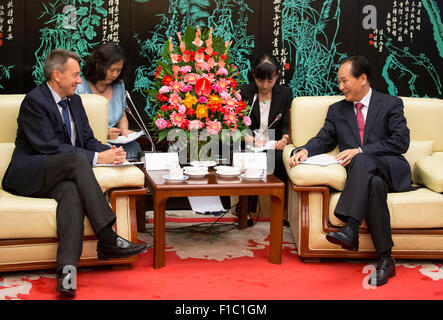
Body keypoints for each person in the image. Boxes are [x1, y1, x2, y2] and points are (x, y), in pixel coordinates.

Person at [2, 49, 147, 297]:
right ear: (57, 75)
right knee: (79, 160)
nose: (80, 81)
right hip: (30, 173)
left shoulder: (75, 101)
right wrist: (94, 157)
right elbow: (47, 146)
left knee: (70, 194)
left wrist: (109, 152)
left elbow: (88, 140)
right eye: (75, 75)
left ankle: (67, 273)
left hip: (61, 175)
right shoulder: (34, 101)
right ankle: (108, 238)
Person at [289, 56, 412, 286]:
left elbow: (401, 142)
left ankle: (350, 226)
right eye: (340, 81)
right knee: (372, 182)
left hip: (390, 168)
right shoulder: (337, 110)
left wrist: (360, 149)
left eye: (345, 81)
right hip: (368, 178)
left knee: (362, 159)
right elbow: (324, 139)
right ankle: (386, 259)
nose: (340, 86)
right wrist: (305, 149)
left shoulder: (390, 104)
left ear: (362, 79)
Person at [240, 54, 292, 218]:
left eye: (270, 81)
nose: (264, 85)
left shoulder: (284, 93)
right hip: (250, 142)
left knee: (280, 159)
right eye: (260, 80)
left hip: (273, 142)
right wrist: (247, 137)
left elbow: (286, 123)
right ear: (254, 76)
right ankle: (247, 211)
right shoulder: (245, 92)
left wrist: (284, 139)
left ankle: (280, 212)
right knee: (248, 159)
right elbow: (237, 124)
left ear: (276, 76)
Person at [75, 42, 142, 160]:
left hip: (115, 141)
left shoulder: (119, 85)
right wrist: (104, 133)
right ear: (98, 65)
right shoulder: (79, 86)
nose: (115, 74)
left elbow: (122, 116)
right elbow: (75, 125)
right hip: (90, 143)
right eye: (112, 70)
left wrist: (125, 132)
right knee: (108, 150)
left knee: (134, 147)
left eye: (119, 70)